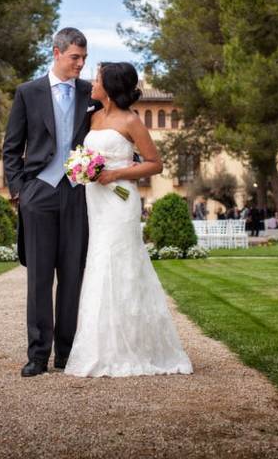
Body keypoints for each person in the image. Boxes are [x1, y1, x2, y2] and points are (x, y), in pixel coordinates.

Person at [65, 62, 192, 377]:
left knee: (119, 262)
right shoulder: (92, 117)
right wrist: (83, 168)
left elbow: (155, 164)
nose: (92, 83)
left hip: (120, 199)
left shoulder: (132, 121)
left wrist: (116, 173)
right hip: (95, 199)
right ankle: (99, 346)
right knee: (98, 262)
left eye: (96, 79)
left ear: (108, 87)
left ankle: (131, 346)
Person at [2, 27, 99, 378]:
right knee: (40, 279)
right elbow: (12, 147)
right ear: (56, 53)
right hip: (39, 193)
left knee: (72, 276)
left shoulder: (91, 93)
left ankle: (68, 353)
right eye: (75, 57)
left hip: (77, 193)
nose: (81, 64)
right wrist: (20, 192)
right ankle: (38, 355)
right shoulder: (28, 93)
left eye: (84, 58)